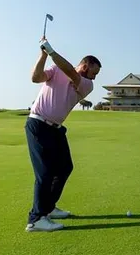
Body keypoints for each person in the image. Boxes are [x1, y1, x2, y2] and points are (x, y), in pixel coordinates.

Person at [24, 38, 101, 232]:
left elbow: (71, 74)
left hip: (56, 129)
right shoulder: (56, 69)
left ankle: (48, 208)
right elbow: (35, 78)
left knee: (65, 167)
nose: (94, 78)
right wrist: (43, 55)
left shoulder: (86, 84)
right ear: (85, 66)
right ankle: (36, 219)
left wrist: (51, 51)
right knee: (45, 172)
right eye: (94, 73)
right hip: (38, 124)